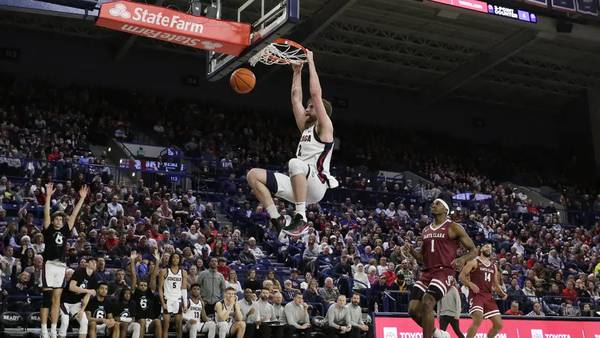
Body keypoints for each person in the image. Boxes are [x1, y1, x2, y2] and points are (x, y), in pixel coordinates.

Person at [246, 51, 339, 236]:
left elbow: (315, 93)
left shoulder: (325, 126)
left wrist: (311, 62)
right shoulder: (305, 127)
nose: (307, 107)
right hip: (299, 184)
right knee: (253, 175)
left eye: (311, 106)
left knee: (294, 162)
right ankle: (276, 218)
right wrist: (297, 71)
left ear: (321, 111)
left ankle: (301, 218)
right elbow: (296, 98)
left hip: (316, 185)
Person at [404, 199, 477, 338]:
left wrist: (462, 259)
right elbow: (422, 258)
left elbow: (474, 250)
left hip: (444, 271)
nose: (433, 205)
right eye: (433, 203)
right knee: (413, 309)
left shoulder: (453, 227)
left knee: (427, 302)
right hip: (427, 272)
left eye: (437, 203)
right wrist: (412, 251)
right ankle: (438, 333)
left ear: (445, 210)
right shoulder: (426, 229)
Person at [41, 184, 89, 338]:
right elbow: (46, 213)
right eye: (57, 218)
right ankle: (43, 330)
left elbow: (74, 214)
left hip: (61, 267)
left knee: (56, 299)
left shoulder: (65, 230)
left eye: (61, 219)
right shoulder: (48, 229)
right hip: (49, 265)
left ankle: (53, 330)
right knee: (47, 299)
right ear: (54, 220)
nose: (59, 220)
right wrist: (48, 197)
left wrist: (81, 199)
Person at [460, 243, 507, 338]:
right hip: (476, 295)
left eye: (490, 247)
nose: (488, 248)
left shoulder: (493, 266)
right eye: (486, 246)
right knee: (478, 318)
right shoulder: (474, 262)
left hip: (488, 296)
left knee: (498, 324)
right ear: (481, 249)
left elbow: (495, 284)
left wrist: (502, 294)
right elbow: (461, 276)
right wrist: (470, 284)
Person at [58, 258, 98, 338]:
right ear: (86, 264)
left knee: (84, 321)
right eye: (92, 262)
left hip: (77, 303)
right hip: (65, 301)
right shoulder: (79, 271)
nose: (94, 264)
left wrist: (82, 310)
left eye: (96, 263)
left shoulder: (95, 278)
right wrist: (88, 290)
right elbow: (71, 287)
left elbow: (87, 295)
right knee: (65, 322)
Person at [129, 252, 162, 338]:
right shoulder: (135, 292)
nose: (143, 286)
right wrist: (132, 261)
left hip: (150, 321)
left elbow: (154, 276)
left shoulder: (150, 292)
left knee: (158, 321)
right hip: (139, 321)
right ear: (138, 286)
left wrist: (157, 261)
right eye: (141, 285)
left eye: (145, 285)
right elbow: (133, 276)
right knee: (142, 321)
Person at [158, 253, 188, 338]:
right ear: (171, 259)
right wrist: (163, 303)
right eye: (174, 258)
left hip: (178, 301)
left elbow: (184, 289)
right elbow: (160, 288)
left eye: (177, 258)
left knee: (179, 327)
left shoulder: (183, 272)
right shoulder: (164, 271)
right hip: (167, 299)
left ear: (179, 260)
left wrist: (185, 304)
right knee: (166, 327)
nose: (175, 259)